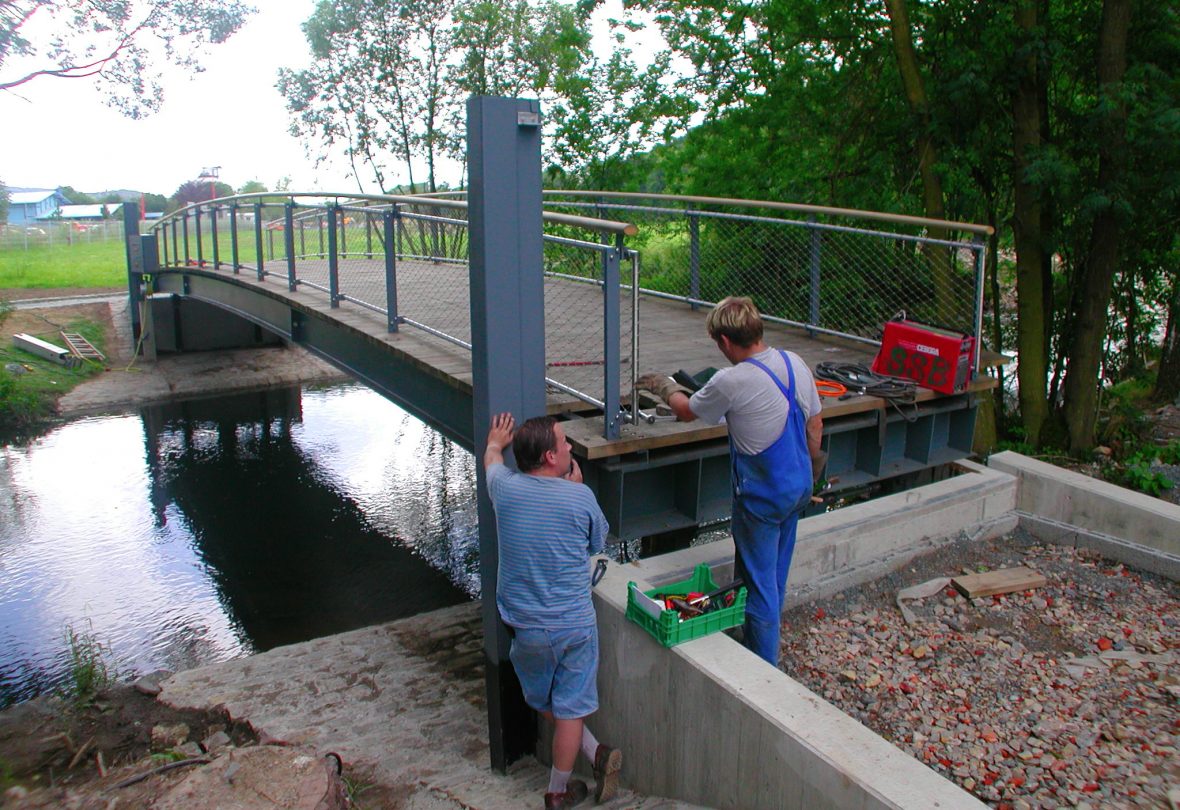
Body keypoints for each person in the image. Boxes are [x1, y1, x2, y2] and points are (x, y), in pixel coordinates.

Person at [637, 296, 825, 667]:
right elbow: (815, 425)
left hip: (762, 497)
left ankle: (762, 670)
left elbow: (687, 412)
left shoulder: (731, 380)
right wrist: (810, 474)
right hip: (798, 486)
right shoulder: (795, 362)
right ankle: (756, 633)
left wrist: (664, 386)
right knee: (772, 575)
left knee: (758, 588)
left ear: (724, 342)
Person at [483, 412, 623, 809]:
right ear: (549, 457)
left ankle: (597, 755)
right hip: (575, 626)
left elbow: (492, 462)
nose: (570, 448)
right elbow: (598, 540)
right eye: (564, 443)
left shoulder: (504, 490)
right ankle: (557, 793)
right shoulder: (579, 496)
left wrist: (495, 442)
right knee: (571, 708)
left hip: (525, 627)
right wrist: (575, 489)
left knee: (544, 701)